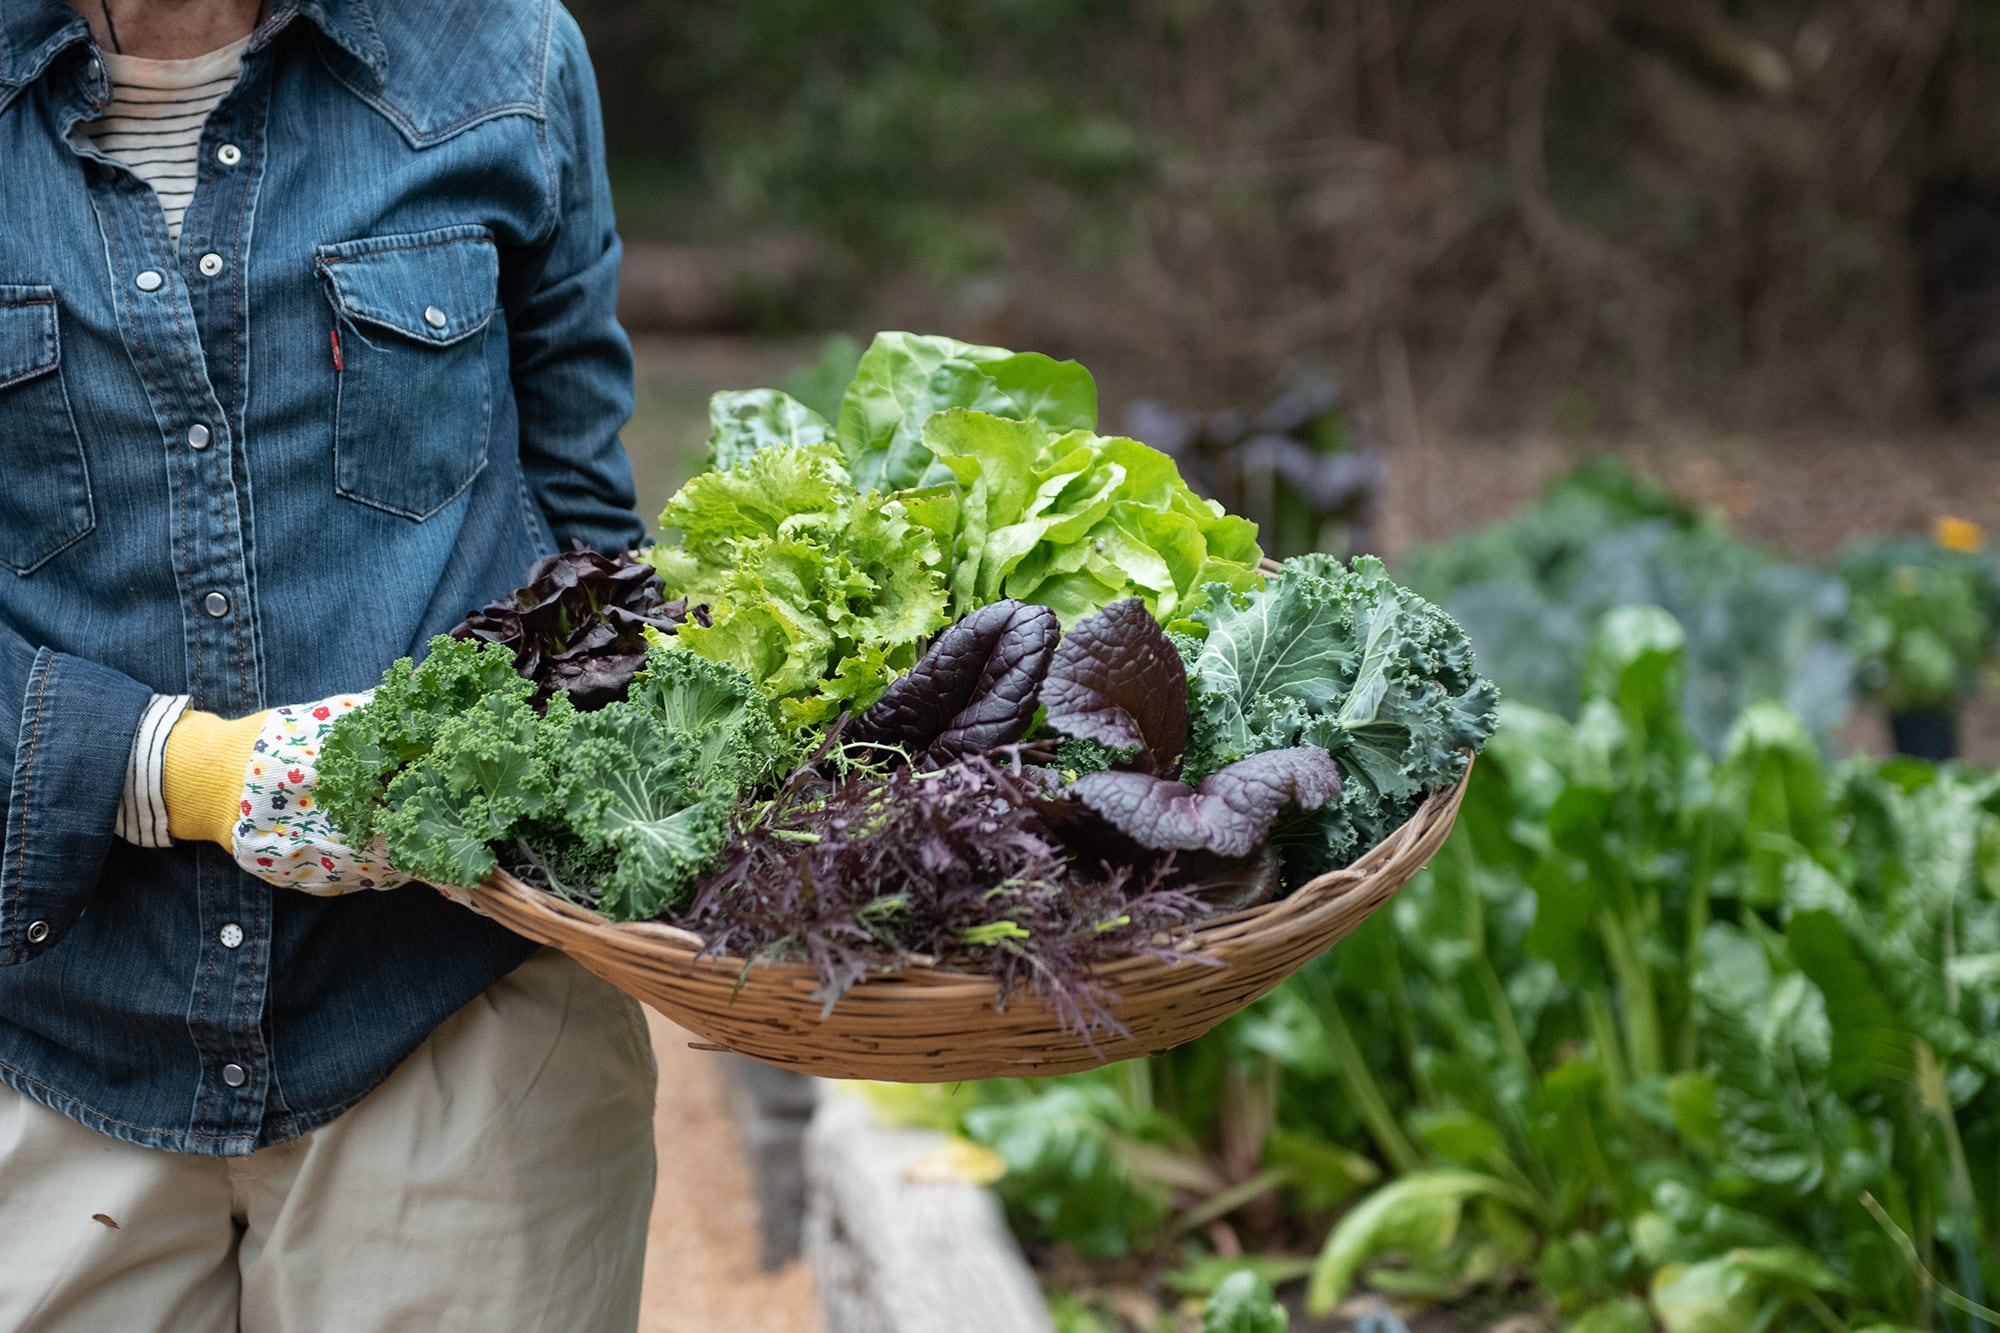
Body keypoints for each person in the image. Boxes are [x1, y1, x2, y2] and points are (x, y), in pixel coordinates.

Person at [0, 1, 660, 1328]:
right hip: (50, 1022)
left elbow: (592, 551)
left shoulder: (505, 56)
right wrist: (190, 771)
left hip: (452, 1007)